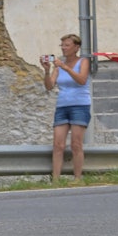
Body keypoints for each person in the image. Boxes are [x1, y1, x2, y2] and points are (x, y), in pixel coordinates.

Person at [42, 33, 91, 181]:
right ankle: (55, 179)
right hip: (62, 106)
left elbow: (82, 80)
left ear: (76, 47)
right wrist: (46, 70)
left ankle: (77, 178)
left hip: (80, 105)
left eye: (67, 45)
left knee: (76, 144)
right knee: (58, 145)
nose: (63, 48)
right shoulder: (58, 66)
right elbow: (49, 86)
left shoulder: (83, 62)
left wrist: (65, 67)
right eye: (62, 45)